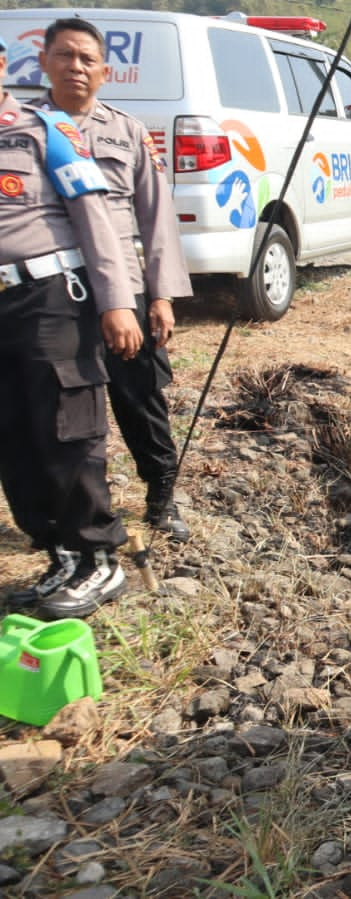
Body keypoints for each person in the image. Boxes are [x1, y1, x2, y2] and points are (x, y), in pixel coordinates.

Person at [28, 17, 195, 563]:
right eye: (64, 56)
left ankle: (161, 495)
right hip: (57, 296)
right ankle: (69, 513)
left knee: (140, 397)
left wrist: (162, 294)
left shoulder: (125, 131)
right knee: (63, 411)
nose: (75, 67)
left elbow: (156, 216)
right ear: (43, 61)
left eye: (86, 59)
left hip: (125, 286)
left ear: (105, 71)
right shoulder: (27, 131)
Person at [0, 33, 143, 619]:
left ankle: (99, 558)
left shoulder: (44, 132)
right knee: (14, 437)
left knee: (66, 429)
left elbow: (96, 219)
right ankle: (58, 551)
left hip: (49, 297)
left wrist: (117, 302)